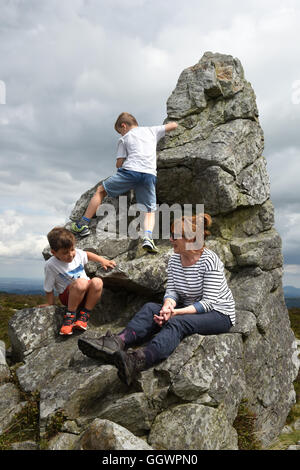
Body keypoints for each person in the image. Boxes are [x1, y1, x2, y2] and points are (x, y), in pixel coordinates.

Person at [78, 214, 235, 385]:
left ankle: (138, 360)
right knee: (151, 308)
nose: (170, 239)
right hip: (188, 307)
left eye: (175, 236)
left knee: (178, 323)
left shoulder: (210, 260)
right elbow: (173, 291)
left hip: (219, 313)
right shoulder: (175, 258)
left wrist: (175, 313)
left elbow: (209, 302)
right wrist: (168, 306)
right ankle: (116, 342)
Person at [71, 112, 178, 253]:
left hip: (130, 172)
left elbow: (119, 164)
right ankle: (148, 237)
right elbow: (174, 125)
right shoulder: (152, 130)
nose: (121, 134)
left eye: (120, 131)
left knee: (100, 190)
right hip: (149, 174)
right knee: (150, 210)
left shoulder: (125, 138)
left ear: (124, 126)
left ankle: (83, 224)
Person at [41, 226, 116, 336]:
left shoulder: (78, 254)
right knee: (81, 283)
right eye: (65, 252)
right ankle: (70, 318)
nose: (70, 254)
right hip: (68, 296)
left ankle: (84, 315)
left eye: (72, 249)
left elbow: (87, 254)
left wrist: (102, 261)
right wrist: (50, 303)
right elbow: (48, 287)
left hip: (86, 294)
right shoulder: (51, 265)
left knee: (97, 282)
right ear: (53, 252)